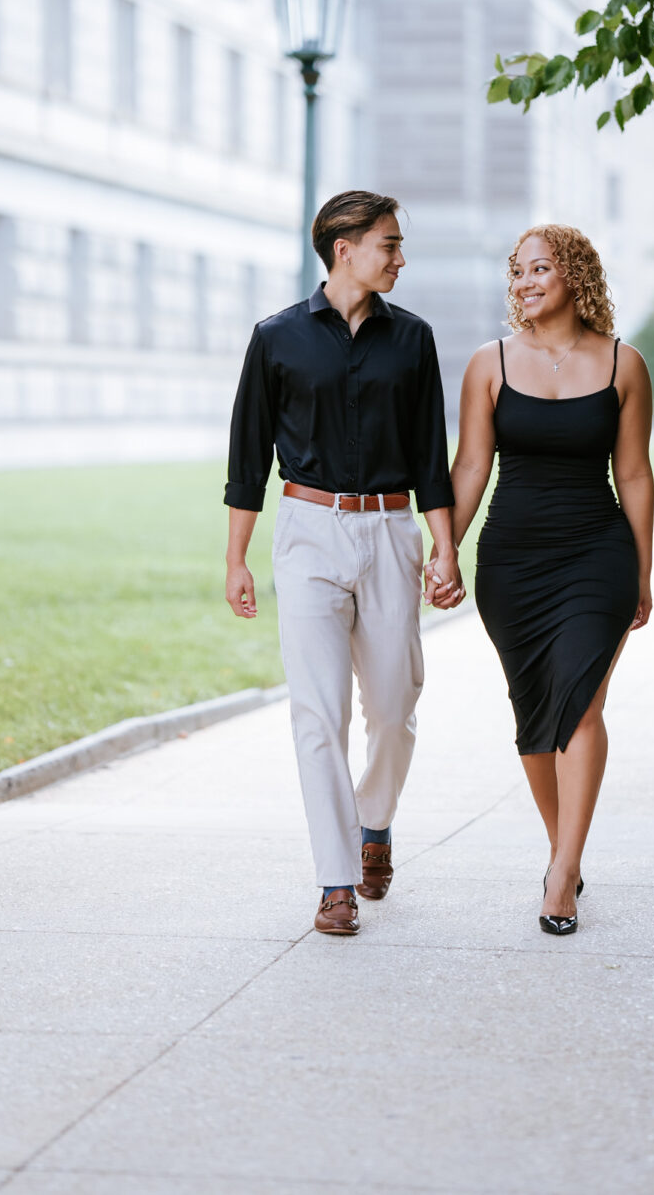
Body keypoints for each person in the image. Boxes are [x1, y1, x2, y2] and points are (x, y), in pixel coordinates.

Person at [224, 191, 464, 937]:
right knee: (316, 711)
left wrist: (446, 544)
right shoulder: (277, 338)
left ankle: (374, 822)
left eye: (398, 245)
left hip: (392, 531)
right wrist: (236, 558)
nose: (399, 258)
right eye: (388, 245)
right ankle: (336, 881)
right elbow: (247, 454)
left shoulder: (413, 339)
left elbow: (430, 452)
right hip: (306, 530)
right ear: (344, 248)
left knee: (393, 710)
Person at [433, 224, 653, 936]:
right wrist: (444, 549)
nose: (525, 282)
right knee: (534, 716)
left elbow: (636, 474)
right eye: (517, 271)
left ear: (576, 276)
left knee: (580, 704)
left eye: (540, 269)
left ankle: (562, 875)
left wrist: (644, 573)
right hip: (512, 562)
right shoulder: (488, 363)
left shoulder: (624, 364)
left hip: (598, 554)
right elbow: (470, 467)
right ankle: (567, 848)